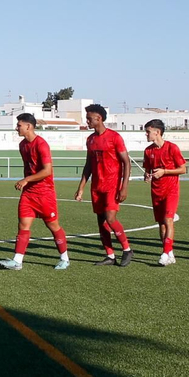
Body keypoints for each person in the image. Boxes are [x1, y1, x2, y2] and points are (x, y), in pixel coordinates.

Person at [0, 113, 72, 270]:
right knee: (23, 225)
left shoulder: (42, 145)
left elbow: (47, 171)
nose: (16, 128)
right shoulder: (22, 145)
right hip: (29, 194)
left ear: (28, 126)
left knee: (53, 226)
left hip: (45, 193)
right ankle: (17, 261)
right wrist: (27, 182)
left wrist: (26, 180)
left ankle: (64, 258)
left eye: (19, 125)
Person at [74, 104, 134, 266]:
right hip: (97, 186)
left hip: (112, 185)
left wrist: (124, 186)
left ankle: (127, 249)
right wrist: (81, 188)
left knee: (110, 218)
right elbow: (88, 166)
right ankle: (110, 255)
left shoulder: (114, 137)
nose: (87, 121)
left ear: (99, 118)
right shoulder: (90, 139)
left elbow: (127, 163)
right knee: (101, 221)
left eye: (89, 118)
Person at [142, 119, 187, 267]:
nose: (146, 134)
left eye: (148, 131)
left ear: (157, 132)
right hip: (156, 191)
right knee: (161, 224)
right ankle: (169, 253)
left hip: (171, 190)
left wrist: (165, 171)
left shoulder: (172, 148)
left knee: (168, 220)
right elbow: (147, 170)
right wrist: (147, 176)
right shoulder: (148, 151)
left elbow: (183, 169)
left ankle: (165, 253)